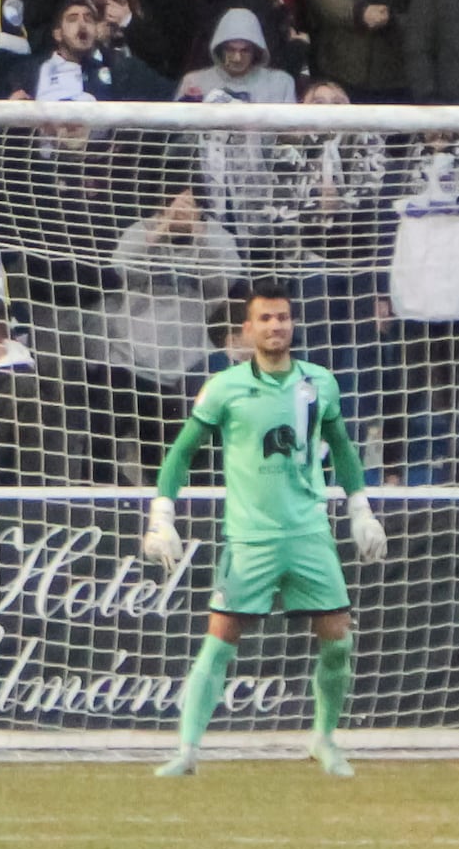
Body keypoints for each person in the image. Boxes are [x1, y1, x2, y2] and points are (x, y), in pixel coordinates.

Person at [142, 284, 386, 780]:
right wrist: (161, 515)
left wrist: (361, 510)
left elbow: (342, 447)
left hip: (308, 532)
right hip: (249, 538)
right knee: (220, 638)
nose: (276, 326)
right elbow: (183, 451)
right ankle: (187, 750)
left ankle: (323, 738)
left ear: (292, 324)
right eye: (265, 319)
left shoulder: (319, 382)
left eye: (283, 318)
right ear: (247, 329)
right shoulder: (225, 387)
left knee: (338, 639)